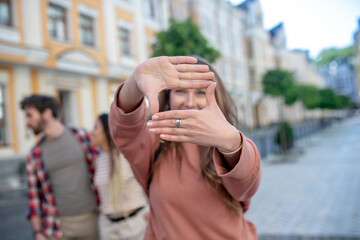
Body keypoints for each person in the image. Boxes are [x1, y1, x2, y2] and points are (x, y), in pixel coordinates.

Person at [108, 55, 262, 239]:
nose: (190, 102)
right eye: (180, 91)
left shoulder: (226, 143)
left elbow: (247, 187)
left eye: (200, 93)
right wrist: (134, 82)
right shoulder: (155, 141)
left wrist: (230, 141)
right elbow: (124, 128)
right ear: (168, 97)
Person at [20, 95, 99, 240]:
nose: (27, 122)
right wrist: (37, 232)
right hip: (56, 226)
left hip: (91, 220)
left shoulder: (82, 136)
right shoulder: (34, 154)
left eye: (30, 115)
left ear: (47, 113)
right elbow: (34, 198)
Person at [90, 113, 148, 240]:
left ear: (106, 130)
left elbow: (148, 182)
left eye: (95, 128)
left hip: (135, 224)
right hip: (108, 228)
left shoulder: (127, 155)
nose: (91, 132)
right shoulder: (98, 160)